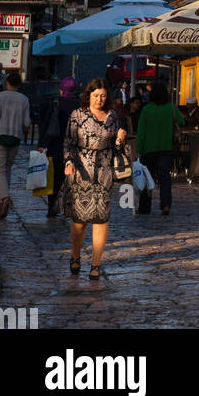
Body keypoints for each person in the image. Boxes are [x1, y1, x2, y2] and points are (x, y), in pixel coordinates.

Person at [62, 78, 128, 279]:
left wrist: (119, 139)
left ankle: (96, 264)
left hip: (104, 173)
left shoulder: (113, 117)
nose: (100, 99)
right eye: (96, 95)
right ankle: (75, 256)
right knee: (80, 222)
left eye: (103, 95)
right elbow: (68, 143)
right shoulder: (77, 115)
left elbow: (117, 149)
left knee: (101, 219)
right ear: (88, 96)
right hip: (81, 173)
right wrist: (68, 162)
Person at [136, 81, 184, 216]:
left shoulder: (146, 110)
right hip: (167, 148)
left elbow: (141, 132)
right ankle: (166, 205)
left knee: (146, 179)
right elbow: (182, 121)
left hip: (148, 150)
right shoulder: (171, 108)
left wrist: (139, 150)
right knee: (165, 178)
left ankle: (144, 207)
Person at [42, 77, 81, 218]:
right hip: (73, 147)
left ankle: (52, 206)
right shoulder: (79, 105)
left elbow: (48, 125)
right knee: (69, 179)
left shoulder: (57, 103)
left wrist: (42, 144)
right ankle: (65, 205)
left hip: (56, 146)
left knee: (54, 178)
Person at [0, 71, 32, 219]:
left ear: (7, 82)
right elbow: (26, 122)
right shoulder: (24, 99)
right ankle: (3, 199)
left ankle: (4, 198)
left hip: (0, 136)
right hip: (16, 137)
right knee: (8, 169)